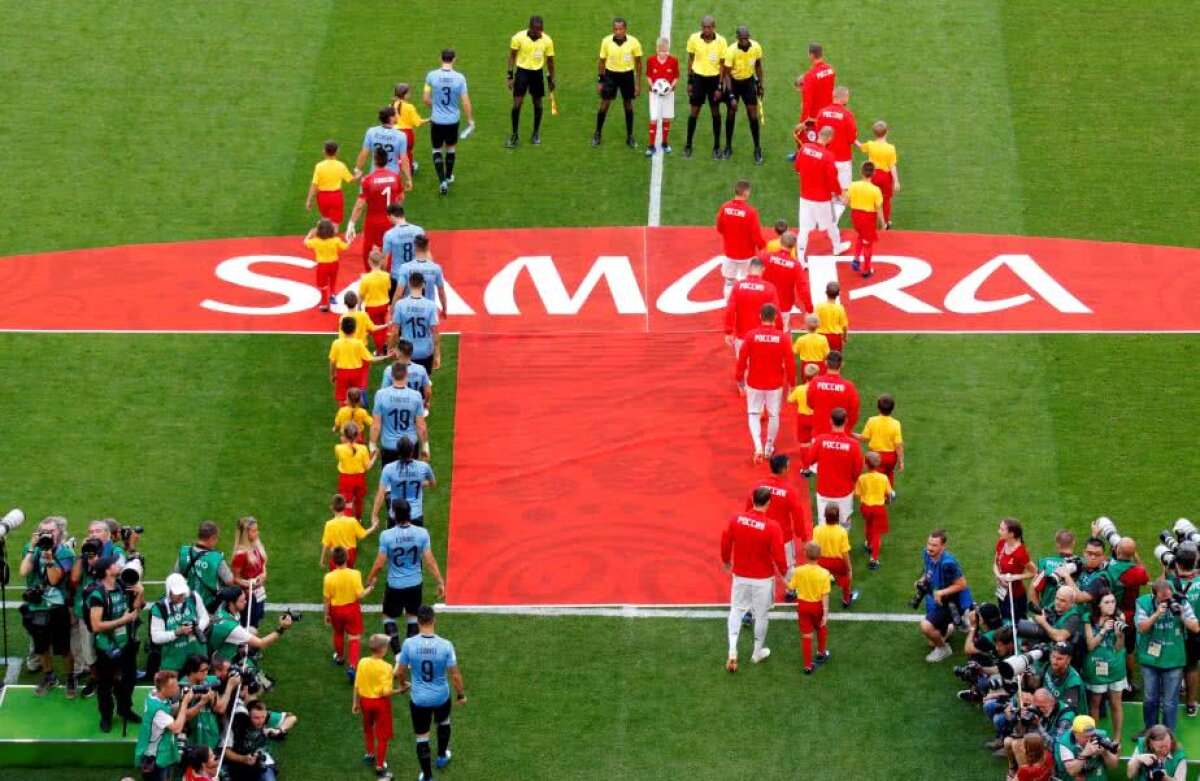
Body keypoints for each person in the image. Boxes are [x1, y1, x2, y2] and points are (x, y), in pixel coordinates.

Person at [720, 486, 787, 672]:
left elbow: (725, 541)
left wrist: (726, 561)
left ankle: (732, 649)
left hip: (741, 574)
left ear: (752, 499)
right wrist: (784, 574)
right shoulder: (773, 527)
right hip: (763, 579)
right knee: (761, 615)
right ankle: (757, 653)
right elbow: (780, 555)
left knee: (736, 610)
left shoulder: (736, 519)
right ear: (768, 503)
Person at [397, 605, 466, 780]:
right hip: (441, 696)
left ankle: (427, 776)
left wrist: (403, 684)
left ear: (418, 622)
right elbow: (455, 675)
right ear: (434, 620)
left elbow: (400, 671)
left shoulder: (409, 644)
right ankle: (442, 756)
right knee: (443, 722)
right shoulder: (446, 645)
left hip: (419, 699)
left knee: (422, 738)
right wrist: (461, 694)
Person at [367, 497, 447, 637]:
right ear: (410, 513)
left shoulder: (386, 536)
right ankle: (408, 655)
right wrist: (440, 582)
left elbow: (379, 564)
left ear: (394, 515)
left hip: (395, 585)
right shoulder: (422, 533)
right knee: (412, 617)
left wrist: (370, 578)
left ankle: (398, 653)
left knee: (388, 617)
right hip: (415, 584)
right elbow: (430, 562)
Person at [20, 516, 76, 696]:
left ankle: (70, 678)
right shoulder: (30, 549)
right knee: (42, 647)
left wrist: (50, 558)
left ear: (60, 532)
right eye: (44, 532)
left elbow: (54, 579)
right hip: (37, 607)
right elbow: (23, 572)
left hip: (57, 607)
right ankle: (49, 676)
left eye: (51, 531)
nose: (48, 535)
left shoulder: (65, 553)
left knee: (64, 648)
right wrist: (31, 548)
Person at [87, 554, 143, 731]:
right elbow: (96, 625)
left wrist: (140, 593)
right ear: (107, 570)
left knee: (128, 679)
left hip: (125, 644)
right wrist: (122, 621)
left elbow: (136, 609)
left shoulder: (121, 585)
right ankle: (106, 716)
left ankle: (125, 709)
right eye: (114, 563)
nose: (118, 565)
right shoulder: (98, 595)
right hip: (107, 648)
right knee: (105, 685)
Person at [71, 519, 125, 698]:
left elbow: (120, 572)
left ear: (107, 534)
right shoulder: (86, 552)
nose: (93, 534)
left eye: (97, 531)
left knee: (115, 644)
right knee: (88, 649)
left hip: (112, 607)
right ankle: (95, 677)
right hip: (86, 608)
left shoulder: (116, 551)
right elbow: (75, 577)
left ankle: (116, 677)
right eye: (90, 531)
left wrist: (97, 562)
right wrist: (82, 555)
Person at [1136, 579, 1199, 730]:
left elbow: (1196, 628)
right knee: (1150, 698)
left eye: (1169, 597)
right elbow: (1142, 628)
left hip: (1174, 659)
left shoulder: (1181, 602)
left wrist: (1182, 615)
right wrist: (1157, 614)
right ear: (1154, 596)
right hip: (1150, 659)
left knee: (1170, 701)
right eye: (1163, 599)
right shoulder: (1143, 602)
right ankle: (1150, 730)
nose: (1168, 601)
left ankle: (1167, 734)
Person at [735, 302, 794, 461]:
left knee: (753, 413)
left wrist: (739, 378)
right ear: (775, 317)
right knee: (774, 415)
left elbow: (742, 359)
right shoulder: (783, 338)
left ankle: (758, 447)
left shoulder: (751, 335)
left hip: (754, 382)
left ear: (760, 317)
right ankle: (768, 448)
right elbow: (790, 363)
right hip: (775, 383)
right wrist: (792, 384)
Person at [747, 454, 810, 595]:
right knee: (788, 566)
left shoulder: (758, 486)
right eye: (788, 466)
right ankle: (791, 591)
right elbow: (798, 517)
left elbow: (748, 510)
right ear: (783, 469)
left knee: (760, 564)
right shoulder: (789, 491)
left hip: (760, 533)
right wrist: (804, 538)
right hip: (783, 537)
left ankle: (758, 594)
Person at [348, 147, 409, 271]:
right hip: (390, 220)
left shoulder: (367, 180)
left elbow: (360, 205)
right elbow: (401, 197)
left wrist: (351, 223)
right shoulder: (395, 177)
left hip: (373, 222)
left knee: (368, 249)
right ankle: (386, 277)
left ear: (374, 161)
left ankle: (371, 276)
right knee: (389, 248)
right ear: (387, 161)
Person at [801, 407, 863, 529]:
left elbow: (808, 460)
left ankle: (824, 548)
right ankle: (842, 547)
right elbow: (858, 469)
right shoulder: (853, 445)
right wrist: (852, 481)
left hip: (824, 490)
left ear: (830, 421)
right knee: (844, 525)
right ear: (846, 421)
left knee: (823, 525)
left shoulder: (820, 440)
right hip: (844, 491)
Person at [424, 48, 474, 195]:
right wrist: (470, 120)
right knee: (451, 149)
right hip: (453, 120)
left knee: (437, 150)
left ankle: (442, 182)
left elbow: (426, 99)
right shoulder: (460, 78)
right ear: (454, 59)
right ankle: (448, 176)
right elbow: (465, 102)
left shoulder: (431, 76)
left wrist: (437, 106)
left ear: (440, 58)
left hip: (437, 120)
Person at [794, 125, 848, 257]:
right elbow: (833, 179)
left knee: (804, 229)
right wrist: (840, 194)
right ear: (830, 138)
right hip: (822, 199)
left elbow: (797, 167)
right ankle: (837, 247)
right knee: (831, 224)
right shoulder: (828, 156)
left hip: (805, 196)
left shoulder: (804, 148)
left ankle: (800, 259)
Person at [919, 529, 973, 662]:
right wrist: (923, 579)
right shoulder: (926, 554)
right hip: (942, 596)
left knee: (926, 627)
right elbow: (928, 570)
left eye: (934, 545)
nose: (930, 548)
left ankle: (944, 649)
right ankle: (957, 622)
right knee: (932, 640)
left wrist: (941, 592)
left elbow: (962, 584)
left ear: (943, 547)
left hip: (955, 600)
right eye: (929, 543)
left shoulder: (948, 564)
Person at [205, 587, 293, 666]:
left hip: (219, 646)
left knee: (252, 631)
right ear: (231, 603)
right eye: (241, 600)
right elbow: (261, 643)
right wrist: (281, 628)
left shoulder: (225, 607)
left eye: (245, 599)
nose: (246, 602)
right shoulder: (232, 628)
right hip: (221, 662)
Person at [353, 634, 400, 779]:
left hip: (365, 701)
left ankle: (370, 753)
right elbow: (386, 692)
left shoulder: (362, 662)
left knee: (368, 727)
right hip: (380, 704)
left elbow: (357, 685)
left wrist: (355, 702)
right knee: (382, 735)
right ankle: (380, 767)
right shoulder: (386, 667)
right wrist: (400, 690)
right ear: (383, 649)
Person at [1084, 592, 1128, 746]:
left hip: (1116, 667)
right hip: (1096, 668)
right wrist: (1102, 631)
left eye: (1113, 602)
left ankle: (1117, 738)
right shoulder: (1088, 618)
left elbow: (1118, 647)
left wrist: (1119, 635)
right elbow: (1090, 645)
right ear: (1099, 605)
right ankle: (1094, 737)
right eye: (1107, 602)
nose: (1111, 605)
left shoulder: (1120, 618)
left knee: (1116, 703)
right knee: (1095, 702)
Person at [325, 546, 375, 680]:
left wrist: (326, 614)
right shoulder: (355, 574)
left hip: (336, 610)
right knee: (354, 638)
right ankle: (352, 666)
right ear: (347, 558)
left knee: (338, 633)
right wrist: (371, 587)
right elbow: (360, 595)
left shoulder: (328, 577)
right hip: (352, 609)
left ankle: (340, 657)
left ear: (333, 560)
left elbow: (327, 598)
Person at [593, 17, 642, 148]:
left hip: (627, 75)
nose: (618, 31)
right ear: (612, 29)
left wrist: (638, 83)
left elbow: (638, 63)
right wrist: (600, 81)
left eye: (621, 29)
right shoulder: (606, 42)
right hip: (611, 75)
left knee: (628, 104)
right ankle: (597, 133)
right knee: (604, 104)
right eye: (616, 29)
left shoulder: (634, 42)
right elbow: (602, 62)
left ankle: (630, 136)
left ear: (625, 29)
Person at [506, 15, 555, 148]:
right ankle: (514, 134)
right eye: (536, 29)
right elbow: (512, 57)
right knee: (517, 104)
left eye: (541, 29)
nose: (539, 32)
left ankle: (535, 133)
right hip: (522, 72)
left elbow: (550, 61)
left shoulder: (547, 41)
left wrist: (551, 78)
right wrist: (510, 76)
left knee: (537, 103)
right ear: (531, 28)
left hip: (537, 74)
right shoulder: (518, 38)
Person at [135, 671, 194, 781]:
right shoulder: (158, 710)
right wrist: (185, 703)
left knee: (167, 776)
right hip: (155, 757)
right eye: (174, 686)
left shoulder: (154, 695)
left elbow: (171, 710)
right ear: (163, 688)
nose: (178, 688)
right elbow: (177, 728)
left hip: (160, 750)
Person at [148, 573, 210, 675]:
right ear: (169, 592)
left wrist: (197, 628)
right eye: (178, 593)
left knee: (199, 690)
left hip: (197, 658)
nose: (182, 596)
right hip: (173, 662)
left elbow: (205, 617)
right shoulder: (160, 608)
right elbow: (156, 637)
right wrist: (177, 633)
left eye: (183, 592)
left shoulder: (193, 597)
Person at [682, 16, 726, 158]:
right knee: (694, 111)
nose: (707, 30)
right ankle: (688, 145)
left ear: (714, 27)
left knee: (715, 112)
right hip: (698, 79)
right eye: (704, 27)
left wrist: (719, 87)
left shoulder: (721, 41)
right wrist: (689, 81)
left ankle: (716, 146)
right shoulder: (694, 39)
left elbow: (722, 65)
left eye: (709, 27)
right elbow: (691, 60)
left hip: (714, 80)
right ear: (701, 27)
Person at [719, 26, 764, 163]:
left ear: (748, 36)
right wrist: (731, 95)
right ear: (737, 38)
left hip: (749, 83)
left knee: (753, 116)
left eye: (746, 38)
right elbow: (726, 74)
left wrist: (760, 85)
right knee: (731, 114)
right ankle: (728, 147)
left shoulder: (756, 47)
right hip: (734, 83)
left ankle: (757, 149)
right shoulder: (731, 51)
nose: (744, 41)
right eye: (741, 38)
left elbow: (758, 66)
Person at [371, 362, 429, 468]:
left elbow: (376, 425)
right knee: (409, 478)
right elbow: (421, 425)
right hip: (410, 445)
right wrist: (425, 445)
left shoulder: (380, 395)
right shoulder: (416, 396)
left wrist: (372, 444)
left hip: (389, 446)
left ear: (392, 375)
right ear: (406, 374)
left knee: (389, 480)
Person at [716, 180, 767, 297]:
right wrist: (762, 246)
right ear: (746, 193)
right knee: (747, 283)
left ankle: (729, 305)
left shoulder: (725, 207)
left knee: (729, 282)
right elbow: (756, 234)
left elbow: (719, 228)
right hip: (747, 255)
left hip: (729, 252)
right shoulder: (751, 212)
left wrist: (730, 236)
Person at [1166, 542, 1200, 715]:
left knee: (1173, 666)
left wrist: (1166, 569)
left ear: (1176, 563)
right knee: (1192, 666)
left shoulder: (1170, 584)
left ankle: (1172, 699)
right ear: (1195, 561)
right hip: (1196, 633)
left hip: (1174, 632)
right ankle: (1191, 703)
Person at [724, 258, 781, 362]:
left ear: (749, 268)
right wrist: (779, 332)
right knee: (760, 367)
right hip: (762, 336)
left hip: (742, 336)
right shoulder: (769, 288)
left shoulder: (737, 286)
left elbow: (730, 310)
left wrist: (728, 331)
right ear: (763, 269)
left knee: (743, 366)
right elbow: (776, 312)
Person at [373, 436, 436, 527]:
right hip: (415, 515)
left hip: (395, 515)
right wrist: (419, 482)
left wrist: (374, 515)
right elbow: (432, 484)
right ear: (412, 450)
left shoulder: (388, 468)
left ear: (397, 451)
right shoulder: (424, 467)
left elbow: (381, 494)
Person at [815, 86, 857, 220]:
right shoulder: (847, 115)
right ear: (842, 98)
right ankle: (833, 221)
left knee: (827, 188)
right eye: (847, 96)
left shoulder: (822, 112)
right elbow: (851, 138)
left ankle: (824, 217)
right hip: (843, 158)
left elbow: (819, 133)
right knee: (843, 192)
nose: (848, 98)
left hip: (825, 157)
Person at [788, 541, 831, 675]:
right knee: (821, 627)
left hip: (803, 606)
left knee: (806, 636)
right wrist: (825, 613)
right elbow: (825, 595)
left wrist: (780, 576)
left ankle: (807, 666)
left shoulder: (798, 571)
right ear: (819, 555)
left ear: (805, 554)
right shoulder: (824, 573)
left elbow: (791, 587)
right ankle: (821, 653)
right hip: (817, 606)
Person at [174, 522, 235, 613]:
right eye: (217, 538)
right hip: (211, 608)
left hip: (188, 606)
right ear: (212, 538)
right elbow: (229, 581)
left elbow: (174, 577)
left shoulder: (185, 553)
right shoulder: (216, 558)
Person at [330, 315, 389, 404]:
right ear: (354, 329)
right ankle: (357, 414)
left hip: (342, 373)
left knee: (342, 398)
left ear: (341, 329)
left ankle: (344, 414)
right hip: (356, 373)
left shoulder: (336, 343)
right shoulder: (359, 344)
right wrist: (386, 356)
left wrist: (332, 374)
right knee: (356, 396)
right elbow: (372, 359)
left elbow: (332, 362)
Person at [391, 272, 441, 375]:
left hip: (406, 352)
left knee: (406, 382)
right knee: (424, 381)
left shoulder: (400, 305)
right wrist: (437, 355)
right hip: (425, 351)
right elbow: (435, 332)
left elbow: (395, 332)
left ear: (409, 284)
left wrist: (392, 348)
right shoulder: (431, 305)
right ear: (423, 285)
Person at [180, 654, 229, 751]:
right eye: (202, 671)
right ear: (191, 672)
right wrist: (202, 702)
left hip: (211, 736)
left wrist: (211, 698)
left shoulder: (211, 681)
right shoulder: (181, 687)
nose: (206, 673)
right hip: (192, 738)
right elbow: (183, 717)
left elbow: (219, 709)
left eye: (208, 669)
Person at [856, 120, 900, 228]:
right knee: (886, 200)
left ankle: (870, 220)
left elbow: (860, 146)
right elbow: (892, 166)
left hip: (873, 174)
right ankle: (886, 221)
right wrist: (896, 181)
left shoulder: (870, 145)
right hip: (885, 177)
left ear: (874, 132)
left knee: (871, 198)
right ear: (887, 132)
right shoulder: (890, 148)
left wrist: (853, 139)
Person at [806, 350, 859, 438]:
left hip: (819, 434)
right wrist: (846, 427)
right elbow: (854, 412)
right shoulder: (849, 387)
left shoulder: (815, 382)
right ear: (842, 364)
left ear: (826, 363)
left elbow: (810, 403)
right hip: (841, 436)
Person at [855, 393, 904, 489]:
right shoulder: (896, 423)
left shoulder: (872, 421)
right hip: (891, 457)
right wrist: (901, 461)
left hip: (875, 456)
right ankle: (889, 494)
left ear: (878, 407)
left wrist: (852, 434)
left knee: (875, 478)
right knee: (889, 474)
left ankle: (877, 496)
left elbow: (864, 438)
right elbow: (898, 444)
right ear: (892, 408)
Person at [760, 232, 806, 330]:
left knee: (762, 330)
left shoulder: (765, 258)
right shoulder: (796, 265)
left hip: (764, 301)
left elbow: (755, 275)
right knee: (782, 332)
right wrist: (809, 308)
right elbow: (803, 289)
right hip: (784, 305)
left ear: (780, 242)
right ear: (794, 246)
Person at [224, 700, 279, 781]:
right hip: (238, 764)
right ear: (248, 715)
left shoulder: (268, 719)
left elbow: (292, 718)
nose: (260, 721)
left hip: (263, 763)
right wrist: (243, 759)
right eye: (256, 718)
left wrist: (279, 730)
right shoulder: (237, 724)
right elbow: (225, 751)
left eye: (263, 717)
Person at [306, 140, 358, 227]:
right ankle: (332, 239)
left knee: (325, 221)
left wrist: (309, 200)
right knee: (335, 224)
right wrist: (358, 176)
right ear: (337, 151)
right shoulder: (341, 165)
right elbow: (351, 180)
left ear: (324, 151)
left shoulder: (319, 166)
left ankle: (323, 237)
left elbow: (314, 185)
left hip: (322, 197)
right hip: (336, 197)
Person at [846, 161, 884, 277]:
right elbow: (878, 207)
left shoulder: (853, 185)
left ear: (861, 172)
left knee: (860, 236)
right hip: (868, 218)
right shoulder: (875, 190)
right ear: (873, 174)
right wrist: (883, 222)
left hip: (855, 216)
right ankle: (867, 270)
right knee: (867, 243)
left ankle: (856, 258)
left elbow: (847, 201)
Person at [395, 234, 448, 317]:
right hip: (428, 311)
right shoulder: (436, 268)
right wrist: (444, 309)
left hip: (409, 310)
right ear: (427, 247)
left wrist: (393, 310)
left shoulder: (405, 268)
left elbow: (399, 293)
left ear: (415, 247)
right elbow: (441, 292)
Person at [814, 505, 857, 608]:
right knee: (846, 578)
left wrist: (815, 564)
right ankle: (846, 600)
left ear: (825, 516)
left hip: (821, 561)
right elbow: (845, 553)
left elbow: (815, 548)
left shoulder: (817, 529)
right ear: (838, 517)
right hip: (837, 562)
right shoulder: (842, 532)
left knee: (819, 581)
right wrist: (849, 568)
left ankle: (816, 601)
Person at [855, 451, 892, 570]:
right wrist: (888, 500)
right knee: (877, 533)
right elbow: (888, 493)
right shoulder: (883, 478)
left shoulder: (862, 478)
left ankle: (868, 543)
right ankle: (873, 559)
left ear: (865, 464)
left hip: (865, 507)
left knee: (868, 525)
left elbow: (857, 494)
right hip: (879, 508)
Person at [321, 493, 378, 569]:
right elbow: (362, 534)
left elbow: (326, 544)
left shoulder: (329, 524)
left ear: (332, 507)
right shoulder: (352, 521)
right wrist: (373, 527)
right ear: (344, 507)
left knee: (336, 576)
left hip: (336, 555)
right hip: (350, 554)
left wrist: (322, 559)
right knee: (349, 574)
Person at [231, 516, 269, 628]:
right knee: (248, 625)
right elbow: (235, 578)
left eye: (257, 530)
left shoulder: (257, 545)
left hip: (258, 593)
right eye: (254, 531)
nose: (257, 533)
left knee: (256, 620)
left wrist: (264, 575)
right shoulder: (241, 554)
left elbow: (263, 565)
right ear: (246, 534)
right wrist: (250, 584)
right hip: (248, 597)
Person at [380, 203, 425, 300]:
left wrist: (382, 275)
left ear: (391, 215)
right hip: (416, 274)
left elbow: (384, 259)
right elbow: (424, 253)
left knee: (397, 306)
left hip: (397, 275)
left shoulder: (390, 234)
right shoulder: (419, 231)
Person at [994, 518, 1036, 620]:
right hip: (1002, 591)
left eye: (1002, 529)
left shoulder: (1020, 552)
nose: (998, 531)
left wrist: (1014, 577)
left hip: (1016, 595)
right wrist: (999, 576)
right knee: (1005, 617)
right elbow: (995, 563)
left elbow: (1034, 572)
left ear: (1011, 534)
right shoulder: (1001, 542)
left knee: (1018, 621)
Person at [644, 37, 679, 157]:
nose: (663, 53)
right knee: (653, 118)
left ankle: (664, 143)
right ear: (657, 49)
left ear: (668, 49)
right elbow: (648, 75)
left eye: (665, 51)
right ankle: (651, 145)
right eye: (660, 51)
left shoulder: (673, 61)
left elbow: (676, 77)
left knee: (666, 118)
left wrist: (670, 87)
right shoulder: (651, 60)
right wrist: (653, 86)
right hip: (654, 94)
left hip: (668, 94)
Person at [355, 106, 412, 179]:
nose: (397, 117)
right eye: (396, 115)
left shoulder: (371, 132)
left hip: (375, 174)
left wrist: (357, 170)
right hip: (392, 175)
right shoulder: (401, 135)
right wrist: (409, 178)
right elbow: (404, 159)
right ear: (391, 118)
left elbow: (364, 154)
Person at [1057, 715, 1120, 780]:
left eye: (1092, 735)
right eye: (1086, 737)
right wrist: (1084, 755)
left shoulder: (1101, 735)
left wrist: (1105, 752)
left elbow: (1113, 765)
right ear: (1075, 733)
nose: (1090, 739)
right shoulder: (1065, 742)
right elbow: (1072, 771)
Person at [336, 421, 375, 519]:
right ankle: (358, 520)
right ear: (357, 436)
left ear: (344, 436)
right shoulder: (363, 449)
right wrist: (374, 457)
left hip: (345, 478)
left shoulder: (338, 448)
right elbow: (368, 467)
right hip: (359, 478)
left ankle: (347, 522)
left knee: (346, 501)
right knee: (359, 500)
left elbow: (341, 458)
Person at [796, 43, 836, 140]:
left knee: (806, 139)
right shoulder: (831, 70)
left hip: (815, 117)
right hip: (828, 112)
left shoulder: (810, 76)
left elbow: (807, 102)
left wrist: (803, 122)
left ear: (812, 55)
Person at [1033, 529, 1077, 608]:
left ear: (1057, 545)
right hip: (1070, 611)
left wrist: (1038, 609)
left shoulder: (1044, 562)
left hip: (1047, 610)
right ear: (1073, 543)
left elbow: (1036, 587)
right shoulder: (1081, 563)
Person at [359, 252, 393, 353]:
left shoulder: (365, 278)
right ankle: (384, 345)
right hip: (384, 305)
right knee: (383, 326)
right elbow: (388, 288)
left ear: (369, 261)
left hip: (372, 307)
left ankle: (380, 351)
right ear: (381, 261)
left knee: (376, 329)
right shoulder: (386, 275)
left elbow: (362, 294)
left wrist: (359, 306)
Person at [1042, 641, 1088, 716]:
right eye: (1053, 656)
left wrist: (1043, 701)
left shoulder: (1073, 681)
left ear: (1069, 660)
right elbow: (1035, 684)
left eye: (1060, 659)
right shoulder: (1049, 666)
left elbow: (1068, 710)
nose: (1054, 661)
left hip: (1071, 720)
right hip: (1051, 712)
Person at [381, 343, 433, 407]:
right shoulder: (421, 369)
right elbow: (428, 391)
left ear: (399, 352)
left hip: (396, 405)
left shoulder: (389, 370)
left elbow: (384, 392)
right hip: (414, 405)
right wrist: (426, 402)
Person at [392, 84, 428, 173]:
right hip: (407, 134)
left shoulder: (392, 105)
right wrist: (431, 119)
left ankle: (396, 169)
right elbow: (418, 122)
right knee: (408, 153)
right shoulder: (409, 107)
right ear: (405, 95)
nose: (410, 94)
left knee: (397, 153)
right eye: (409, 93)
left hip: (394, 132)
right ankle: (409, 169)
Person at [786, 363, 821, 450]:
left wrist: (790, 391)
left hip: (803, 418)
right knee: (817, 441)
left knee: (804, 443)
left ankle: (806, 462)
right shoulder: (820, 389)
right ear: (816, 375)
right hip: (816, 418)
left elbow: (789, 400)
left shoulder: (799, 389)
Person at [814, 281, 849, 354]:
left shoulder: (819, 307)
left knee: (820, 357)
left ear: (826, 292)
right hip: (835, 338)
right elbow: (844, 325)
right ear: (838, 294)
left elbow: (814, 321)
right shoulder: (840, 308)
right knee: (834, 359)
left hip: (820, 336)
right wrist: (845, 337)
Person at [792, 313, 829, 378]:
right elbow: (827, 355)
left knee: (806, 385)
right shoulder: (823, 339)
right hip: (819, 366)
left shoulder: (801, 339)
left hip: (805, 365)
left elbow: (793, 352)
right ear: (818, 325)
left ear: (806, 325)